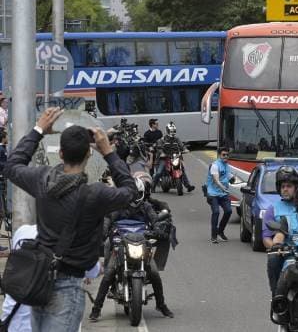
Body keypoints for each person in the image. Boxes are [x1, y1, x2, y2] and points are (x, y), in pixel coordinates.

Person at [3, 107, 137, 332]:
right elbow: (130, 191)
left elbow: (12, 166)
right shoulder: (96, 194)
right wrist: (110, 153)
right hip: (68, 287)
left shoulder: (42, 179)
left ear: (61, 153)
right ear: (89, 153)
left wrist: (38, 131)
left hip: (41, 281)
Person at [89, 176, 174, 321]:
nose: (132, 198)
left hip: (141, 244)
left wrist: (159, 228)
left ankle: (161, 304)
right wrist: (102, 232)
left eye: (135, 194)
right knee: (109, 274)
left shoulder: (146, 206)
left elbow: (155, 220)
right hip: (120, 243)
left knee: (154, 273)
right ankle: (96, 309)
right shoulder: (115, 207)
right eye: (129, 194)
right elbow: (107, 220)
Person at [1, 225, 101, 332]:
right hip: (51, 319)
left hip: (13, 319)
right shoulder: (72, 238)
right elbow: (94, 270)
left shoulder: (22, 231)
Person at [262, 165, 298, 296]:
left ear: (296, 188)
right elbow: (266, 237)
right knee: (273, 258)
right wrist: (276, 248)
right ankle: (277, 297)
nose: (285, 189)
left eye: (289, 186)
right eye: (283, 186)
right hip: (285, 251)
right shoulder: (272, 209)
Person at [152, 122, 195, 193]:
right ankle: (153, 186)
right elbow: (159, 147)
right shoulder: (162, 139)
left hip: (175, 157)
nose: (172, 132)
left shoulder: (176, 139)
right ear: (167, 131)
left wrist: (185, 149)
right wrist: (162, 153)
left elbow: (181, 145)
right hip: (165, 158)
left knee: (182, 170)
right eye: (171, 131)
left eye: (173, 131)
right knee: (159, 172)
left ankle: (188, 186)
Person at [205, 146, 234, 243]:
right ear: (219, 155)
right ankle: (214, 236)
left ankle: (220, 231)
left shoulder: (226, 165)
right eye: (223, 155)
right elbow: (216, 180)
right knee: (216, 212)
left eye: (227, 155)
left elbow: (227, 175)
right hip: (213, 194)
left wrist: (233, 178)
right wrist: (224, 189)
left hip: (223, 194)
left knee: (228, 211)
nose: (226, 157)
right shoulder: (215, 165)